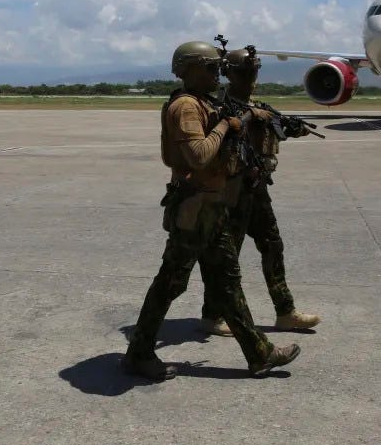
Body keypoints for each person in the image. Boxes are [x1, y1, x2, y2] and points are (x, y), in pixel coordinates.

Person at [122, 41, 301, 381]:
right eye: (209, 67)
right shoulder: (186, 108)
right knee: (170, 283)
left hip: (212, 207)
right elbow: (200, 156)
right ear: (188, 69)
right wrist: (226, 127)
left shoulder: (206, 103)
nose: (216, 74)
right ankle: (138, 353)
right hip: (194, 210)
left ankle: (260, 353)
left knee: (227, 281)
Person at [199, 47, 321, 337]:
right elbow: (223, 128)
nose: (251, 78)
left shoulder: (258, 105)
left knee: (272, 245)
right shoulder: (221, 104)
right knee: (228, 256)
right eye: (245, 72)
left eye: (254, 72)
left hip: (256, 188)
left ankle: (285, 311)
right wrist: (253, 116)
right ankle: (213, 314)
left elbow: (268, 129)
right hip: (231, 190)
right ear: (229, 74)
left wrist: (291, 127)